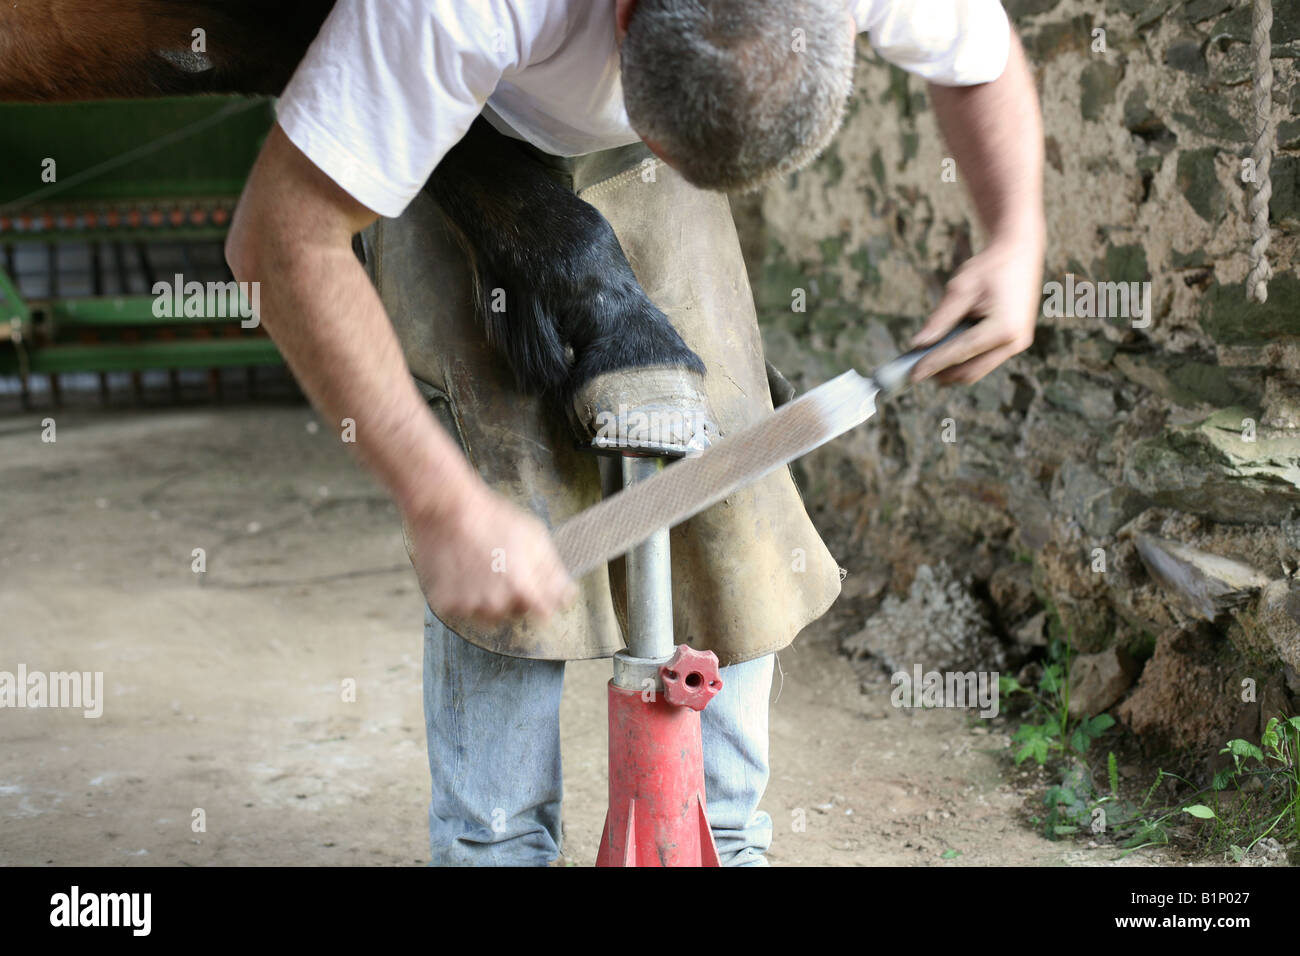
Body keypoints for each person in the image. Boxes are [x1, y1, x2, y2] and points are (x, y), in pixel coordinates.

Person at [225, 0, 1044, 865]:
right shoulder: (447, 12)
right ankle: (493, 849)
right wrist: (438, 501)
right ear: (621, 19)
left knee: (730, 478)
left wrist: (1016, 236)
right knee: (506, 493)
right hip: (454, 139)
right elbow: (281, 243)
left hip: (663, 161)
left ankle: (723, 839)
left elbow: (981, 61)